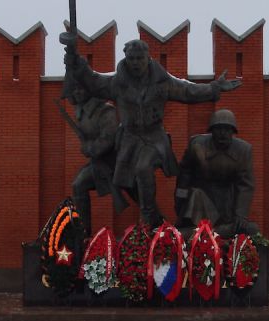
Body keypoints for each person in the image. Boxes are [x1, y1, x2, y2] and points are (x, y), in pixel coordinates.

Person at [62, 36, 241, 227]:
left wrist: (214, 88)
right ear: (126, 59)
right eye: (132, 58)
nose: (136, 62)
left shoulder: (161, 82)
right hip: (129, 140)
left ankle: (148, 220)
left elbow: (187, 91)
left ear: (148, 58)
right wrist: (74, 58)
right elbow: (92, 81)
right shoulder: (117, 83)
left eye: (140, 58)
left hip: (154, 138)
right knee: (127, 181)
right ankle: (155, 221)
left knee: (143, 168)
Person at [174, 109, 260, 238]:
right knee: (196, 194)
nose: (222, 134)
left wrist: (241, 214)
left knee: (250, 228)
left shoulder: (243, 150)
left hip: (226, 202)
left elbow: (245, 185)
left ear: (233, 132)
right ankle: (196, 232)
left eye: (227, 129)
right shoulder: (197, 145)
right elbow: (184, 174)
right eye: (218, 129)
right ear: (212, 131)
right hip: (200, 198)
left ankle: (211, 232)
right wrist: (180, 200)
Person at [66, 83, 128, 235]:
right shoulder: (81, 112)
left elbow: (109, 138)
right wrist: (86, 147)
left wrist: (90, 148)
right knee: (78, 185)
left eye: (81, 88)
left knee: (138, 193)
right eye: (74, 89)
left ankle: (156, 223)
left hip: (116, 163)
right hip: (98, 163)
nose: (77, 92)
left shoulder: (106, 110)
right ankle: (83, 233)